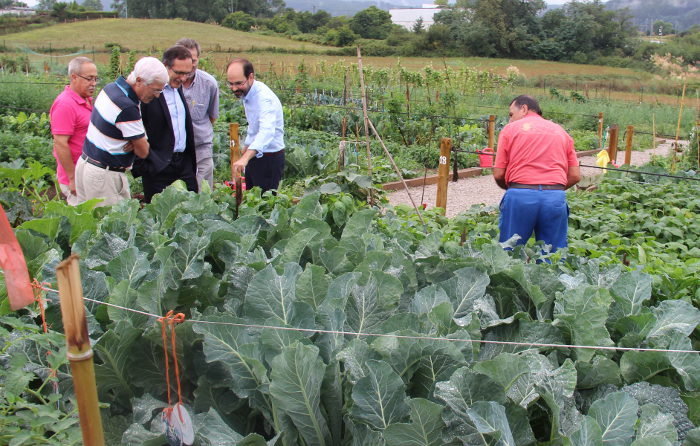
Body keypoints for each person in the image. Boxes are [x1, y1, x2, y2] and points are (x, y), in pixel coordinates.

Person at [493, 95, 581, 251]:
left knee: (509, 252)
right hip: (554, 197)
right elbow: (575, 175)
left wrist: (514, 189)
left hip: (520, 195)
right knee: (552, 255)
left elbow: (499, 174)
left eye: (511, 114)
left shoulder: (510, 129)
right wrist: (552, 189)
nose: (510, 120)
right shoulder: (561, 132)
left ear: (524, 108)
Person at [76, 57, 168, 207]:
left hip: (86, 165)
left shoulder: (110, 89)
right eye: (156, 89)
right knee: (111, 227)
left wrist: (135, 139)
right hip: (104, 177)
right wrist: (137, 141)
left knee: (85, 222)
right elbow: (143, 151)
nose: (158, 95)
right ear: (139, 81)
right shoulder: (127, 107)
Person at [133, 46, 198, 203]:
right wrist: (148, 164)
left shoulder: (178, 90)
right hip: (158, 167)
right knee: (159, 216)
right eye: (178, 73)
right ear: (165, 67)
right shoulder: (149, 91)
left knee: (194, 210)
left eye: (187, 73)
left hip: (183, 164)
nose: (183, 78)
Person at [227, 58, 285, 193]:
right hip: (255, 155)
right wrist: (247, 147)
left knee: (264, 204)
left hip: (269, 158)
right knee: (251, 200)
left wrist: (245, 158)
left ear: (250, 77)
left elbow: (266, 132)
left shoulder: (264, 98)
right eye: (230, 83)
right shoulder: (249, 94)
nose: (234, 88)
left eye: (238, 83)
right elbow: (254, 126)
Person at [49, 57, 97, 205]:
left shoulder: (87, 100)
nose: (93, 83)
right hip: (77, 177)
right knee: (83, 220)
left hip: (89, 173)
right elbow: (60, 143)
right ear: (74, 77)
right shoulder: (65, 104)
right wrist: (72, 178)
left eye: (95, 79)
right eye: (89, 79)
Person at [175, 38, 219, 189]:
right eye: (185, 60)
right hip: (176, 151)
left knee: (203, 194)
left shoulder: (209, 83)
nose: (190, 65)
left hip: (201, 147)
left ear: (198, 59)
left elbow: (212, 116)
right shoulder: (167, 84)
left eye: (193, 60)